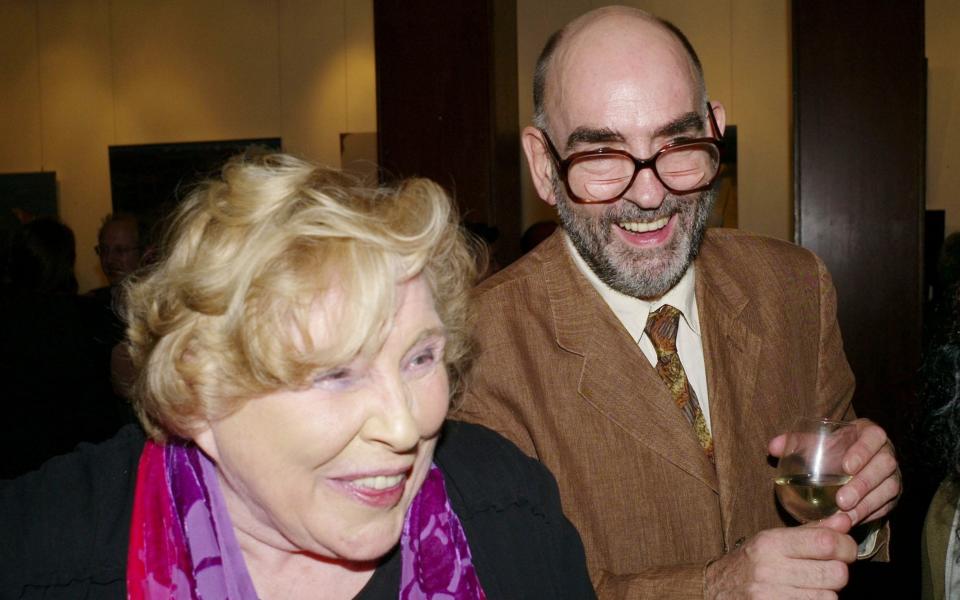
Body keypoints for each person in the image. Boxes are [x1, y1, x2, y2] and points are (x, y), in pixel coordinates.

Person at [0, 153, 594, 599]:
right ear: (197, 396)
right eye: (336, 373)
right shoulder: (46, 554)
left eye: (419, 358)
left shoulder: (511, 513)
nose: (404, 425)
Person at [453, 6, 901, 597]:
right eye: (602, 155)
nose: (649, 193)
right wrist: (713, 588)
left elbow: (834, 498)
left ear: (714, 128)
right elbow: (507, 585)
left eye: (678, 142)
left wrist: (861, 504)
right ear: (543, 165)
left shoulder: (796, 287)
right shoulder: (476, 349)